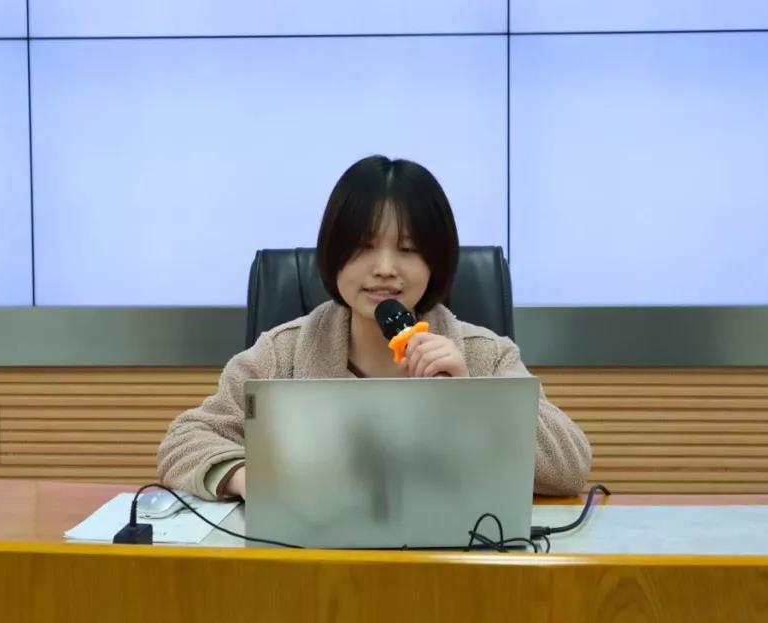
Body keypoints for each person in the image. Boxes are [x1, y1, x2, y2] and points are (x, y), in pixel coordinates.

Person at [157, 155, 591, 500]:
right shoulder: (281, 353)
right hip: (314, 561)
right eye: (364, 247)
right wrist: (248, 478)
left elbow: (570, 467)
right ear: (333, 255)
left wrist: (473, 398)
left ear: (435, 262)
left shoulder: (485, 355)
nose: (385, 268)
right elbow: (184, 440)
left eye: (408, 249)